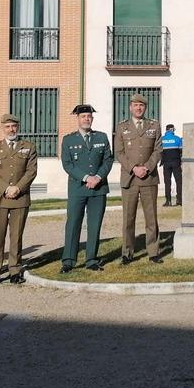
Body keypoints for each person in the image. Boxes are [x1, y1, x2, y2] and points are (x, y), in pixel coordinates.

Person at [0, 114, 39, 287]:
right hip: (0, 198)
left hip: (20, 198)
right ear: (2, 128)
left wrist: (18, 188)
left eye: (14, 126)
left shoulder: (28, 147)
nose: (11, 129)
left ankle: (14, 269)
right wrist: (6, 188)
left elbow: (31, 171)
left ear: (18, 127)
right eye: (7, 126)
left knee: (16, 237)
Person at [60, 104, 113, 272]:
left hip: (98, 188)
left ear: (92, 118)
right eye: (83, 117)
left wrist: (97, 177)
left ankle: (91, 259)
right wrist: (85, 177)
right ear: (78, 119)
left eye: (89, 116)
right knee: (73, 223)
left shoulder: (102, 137)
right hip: (77, 188)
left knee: (94, 224)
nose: (86, 119)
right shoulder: (69, 140)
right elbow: (67, 164)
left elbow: (108, 160)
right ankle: (68, 260)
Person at [115, 93, 164, 264]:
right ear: (130, 108)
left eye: (141, 105)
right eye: (135, 105)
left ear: (145, 108)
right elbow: (119, 152)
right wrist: (134, 168)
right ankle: (127, 252)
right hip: (129, 178)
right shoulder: (122, 127)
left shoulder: (154, 125)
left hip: (149, 178)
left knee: (151, 218)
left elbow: (158, 150)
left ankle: (153, 252)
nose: (138, 108)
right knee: (128, 218)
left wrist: (147, 167)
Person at [161, 123, 183, 207]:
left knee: (167, 182)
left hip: (166, 163)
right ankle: (179, 200)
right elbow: (181, 151)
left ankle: (168, 201)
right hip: (176, 163)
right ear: (172, 130)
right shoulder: (177, 139)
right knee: (179, 181)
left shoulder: (162, 139)